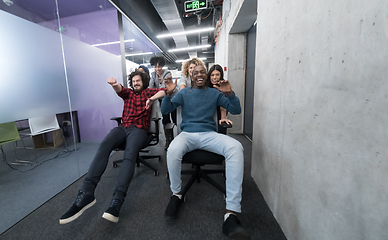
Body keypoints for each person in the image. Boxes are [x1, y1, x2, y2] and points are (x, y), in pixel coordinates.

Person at [59, 70, 174, 224]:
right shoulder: (128, 93)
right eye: (133, 81)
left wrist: (151, 99)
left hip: (139, 130)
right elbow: (120, 89)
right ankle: (86, 193)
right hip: (123, 128)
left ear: (143, 82)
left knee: (129, 154)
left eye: (138, 80)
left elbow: (164, 91)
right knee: (104, 146)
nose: (135, 83)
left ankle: (117, 200)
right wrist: (114, 85)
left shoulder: (148, 92)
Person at [161, 65, 251, 240]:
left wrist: (230, 93)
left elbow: (237, 110)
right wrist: (168, 93)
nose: (199, 75)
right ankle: (177, 195)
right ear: (191, 76)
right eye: (195, 73)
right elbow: (165, 110)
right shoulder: (184, 93)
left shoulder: (214, 93)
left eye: (202, 72)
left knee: (236, 147)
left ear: (206, 76)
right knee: (172, 149)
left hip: (209, 134)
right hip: (187, 134)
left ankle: (231, 214)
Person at [149, 56, 176, 150]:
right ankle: (169, 140)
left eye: (159, 66)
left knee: (175, 119)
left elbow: (165, 88)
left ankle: (177, 140)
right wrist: (156, 90)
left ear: (162, 66)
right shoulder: (153, 74)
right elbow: (150, 87)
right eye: (155, 66)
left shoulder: (167, 73)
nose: (157, 69)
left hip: (172, 98)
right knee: (165, 119)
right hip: (161, 99)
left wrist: (156, 90)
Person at [208, 64, 233, 134]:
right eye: (212, 75)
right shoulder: (206, 87)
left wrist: (223, 117)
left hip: (219, 115)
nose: (214, 77)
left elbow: (223, 105)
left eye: (217, 75)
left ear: (221, 76)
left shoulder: (223, 86)